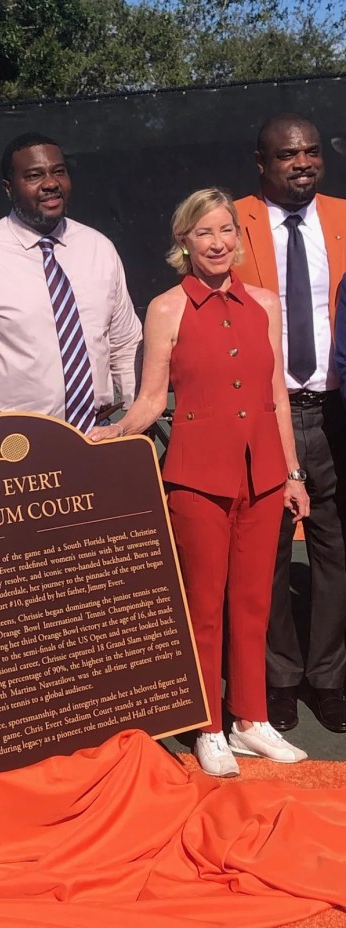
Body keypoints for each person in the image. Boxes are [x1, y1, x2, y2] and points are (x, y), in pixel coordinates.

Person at [90, 188, 309, 777]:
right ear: (184, 241)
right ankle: (208, 725)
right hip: (196, 480)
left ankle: (251, 721)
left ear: (239, 239)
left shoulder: (264, 302)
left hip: (263, 474)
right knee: (203, 607)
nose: (218, 243)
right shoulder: (165, 308)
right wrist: (107, 435)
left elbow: (275, 399)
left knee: (255, 602)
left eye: (227, 231)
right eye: (204, 232)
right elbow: (148, 402)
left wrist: (292, 474)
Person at [234, 114, 346, 734]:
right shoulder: (233, 222)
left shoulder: (344, 216)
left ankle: (329, 678)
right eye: (287, 155)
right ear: (261, 162)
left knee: (335, 547)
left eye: (310, 152)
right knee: (268, 551)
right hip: (265, 413)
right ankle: (276, 678)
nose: (301, 163)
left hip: (334, 410)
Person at [0, 132, 142, 431]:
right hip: (19, 446)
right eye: (34, 175)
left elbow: (125, 344)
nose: (50, 183)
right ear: (9, 188)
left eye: (59, 171)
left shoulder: (99, 249)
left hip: (98, 435)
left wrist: (136, 417)